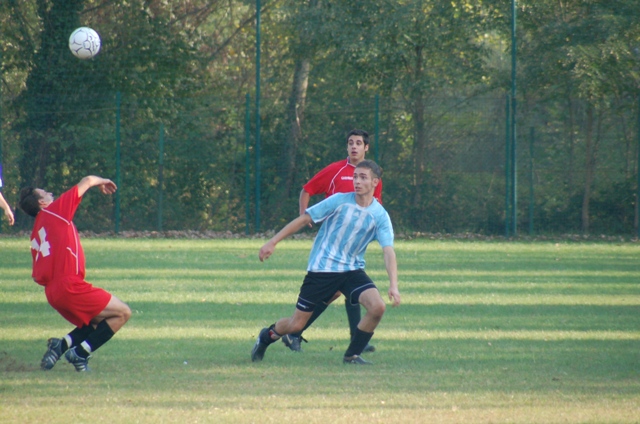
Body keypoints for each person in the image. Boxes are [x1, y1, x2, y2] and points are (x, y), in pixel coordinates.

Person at [251, 160, 400, 365]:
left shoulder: (380, 215)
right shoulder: (339, 201)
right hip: (323, 269)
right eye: (355, 177)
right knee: (296, 325)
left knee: (377, 307)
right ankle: (266, 336)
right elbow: (304, 219)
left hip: (352, 270)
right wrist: (273, 242)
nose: (357, 181)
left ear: (375, 182)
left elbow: (388, 251)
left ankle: (352, 355)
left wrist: (393, 285)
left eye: (363, 177)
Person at [282, 129, 382, 353]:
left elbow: (375, 208)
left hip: (354, 244)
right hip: (331, 246)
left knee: (347, 289)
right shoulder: (336, 170)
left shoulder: (373, 176)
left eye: (358, 143)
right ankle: (295, 331)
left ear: (366, 147)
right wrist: (304, 216)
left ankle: (353, 338)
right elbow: (307, 190)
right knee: (338, 291)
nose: (354, 146)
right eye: (350, 143)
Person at [19, 176, 131, 372]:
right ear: (42, 203)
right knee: (122, 313)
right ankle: (80, 353)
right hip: (68, 285)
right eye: (45, 193)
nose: (51, 194)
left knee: (98, 320)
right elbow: (87, 180)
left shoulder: (38, 228)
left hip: (53, 291)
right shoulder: (54, 212)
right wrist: (102, 181)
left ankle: (61, 345)